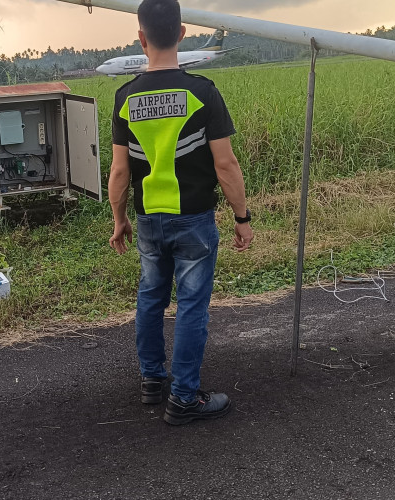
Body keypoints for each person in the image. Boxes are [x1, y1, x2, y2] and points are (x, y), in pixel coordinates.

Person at [108, 0, 253, 425]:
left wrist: (119, 219)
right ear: (182, 33)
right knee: (191, 306)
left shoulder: (125, 97)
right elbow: (226, 166)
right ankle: (184, 398)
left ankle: (153, 381)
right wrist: (242, 219)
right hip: (194, 219)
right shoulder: (202, 92)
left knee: (151, 298)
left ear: (141, 37)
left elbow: (119, 171)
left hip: (149, 218)